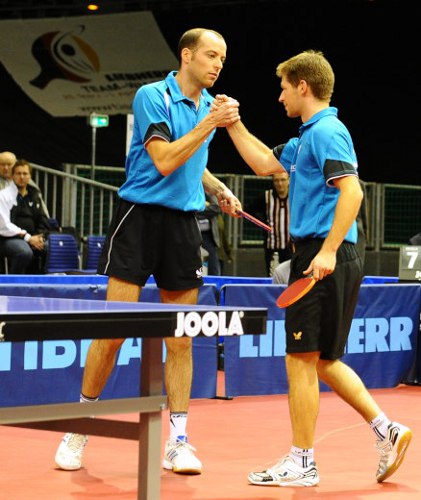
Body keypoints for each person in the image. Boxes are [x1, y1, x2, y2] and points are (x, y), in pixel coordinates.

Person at [219, 50, 411, 486]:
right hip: (327, 254)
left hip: (325, 255)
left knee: (300, 359)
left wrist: (325, 251)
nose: (281, 96)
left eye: (284, 87)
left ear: (303, 86)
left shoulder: (327, 132)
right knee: (324, 360)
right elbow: (265, 162)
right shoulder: (306, 136)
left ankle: (302, 462)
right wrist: (232, 124)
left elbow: (353, 193)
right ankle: (388, 431)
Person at [54, 27, 241, 474]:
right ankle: (78, 427)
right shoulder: (152, 96)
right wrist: (211, 124)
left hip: (182, 225)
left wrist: (216, 188)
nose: (217, 65)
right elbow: (164, 159)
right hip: (138, 218)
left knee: (181, 337)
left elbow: (194, 161)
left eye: (223, 58)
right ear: (187, 55)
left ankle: (178, 440)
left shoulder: (202, 107)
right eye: (211, 56)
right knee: (114, 331)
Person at [0, 160, 47, 273]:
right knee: (24, 252)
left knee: (51, 248)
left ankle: (39, 284)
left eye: (25, 174)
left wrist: (40, 237)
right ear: (12, 176)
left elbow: (43, 219)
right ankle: (13, 284)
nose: (22, 177)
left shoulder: (35, 195)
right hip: (9, 238)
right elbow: (4, 226)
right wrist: (28, 238)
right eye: (18, 173)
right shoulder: (3, 195)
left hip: (33, 237)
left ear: (30, 176)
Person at [253, 172, 292, 276]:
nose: (280, 184)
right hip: (272, 246)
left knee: (291, 277)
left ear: (289, 180)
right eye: (276, 180)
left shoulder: (296, 196)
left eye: (283, 180)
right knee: (273, 276)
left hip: (292, 246)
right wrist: (263, 223)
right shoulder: (266, 196)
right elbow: (249, 210)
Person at [196, 192, 222, 275]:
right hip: (189, 235)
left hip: (208, 236)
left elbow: (216, 208)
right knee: (195, 270)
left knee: (213, 269)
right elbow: (186, 210)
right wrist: (205, 206)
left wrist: (197, 210)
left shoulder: (209, 191)